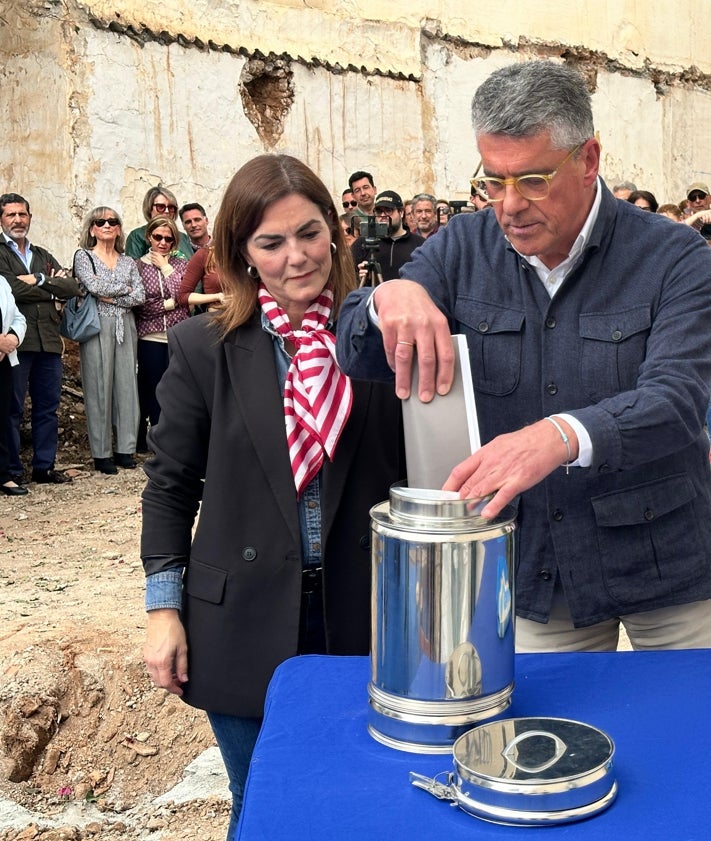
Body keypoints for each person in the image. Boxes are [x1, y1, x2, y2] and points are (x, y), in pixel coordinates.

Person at [336, 60, 711, 654]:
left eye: (533, 180)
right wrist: (387, 298)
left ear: (588, 160)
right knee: (544, 739)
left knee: (690, 731)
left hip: (666, 566)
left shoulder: (675, 256)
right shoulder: (461, 249)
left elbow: (678, 400)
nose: (509, 205)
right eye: (493, 181)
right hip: (540, 567)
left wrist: (560, 436)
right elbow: (357, 349)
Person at [141, 153, 404, 838]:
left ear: (336, 233)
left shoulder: (379, 343)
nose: (296, 257)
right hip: (241, 619)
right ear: (241, 253)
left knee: (358, 796)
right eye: (271, 242)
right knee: (262, 800)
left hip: (362, 611)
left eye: (310, 233)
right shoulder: (203, 348)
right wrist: (163, 611)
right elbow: (170, 485)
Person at [0, 192, 79, 485]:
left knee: (48, 408)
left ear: (30, 218)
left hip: (49, 339)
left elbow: (71, 286)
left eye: (22, 214)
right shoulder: (0, 253)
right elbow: (11, 290)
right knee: (12, 408)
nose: (18, 220)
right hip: (17, 342)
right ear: (1, 219)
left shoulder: (42, 254)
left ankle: (44, 468)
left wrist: (41, 279)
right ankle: (11, 471)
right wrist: (50, 288)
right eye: (11, 215)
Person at [73, 208, 145, 474]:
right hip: (96, 325)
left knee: (127, 386)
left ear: (119, 228)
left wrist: (115, 296)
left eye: (112, 221)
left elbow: (139, 295)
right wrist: (123, 291)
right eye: (100, 221)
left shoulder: (128, 261)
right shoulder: (84, 256)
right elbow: (92, 286)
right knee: (98, 386)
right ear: (91, 228)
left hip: (126, 325)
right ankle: (101, 453)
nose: (106, 225)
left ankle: (125, 449)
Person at [134, 216, 190, 451]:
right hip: (151, 337)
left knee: (177, 391)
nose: (163, 242)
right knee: (154, 390)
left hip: (178, 335)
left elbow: (183, 296)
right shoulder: (137, 265)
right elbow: (142, 307)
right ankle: (157, 441)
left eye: (169, 238)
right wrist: (169, 304)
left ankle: (175, 441)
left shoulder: (179, 265)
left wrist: (166, 268)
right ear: (149, 237)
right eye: (158, 237)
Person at [350, 190, 424, 283]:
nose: (383, 216)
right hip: (373, 295)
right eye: (379, 211)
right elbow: (346, 277)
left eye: (388, 211)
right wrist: (358, 275)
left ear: (401, 212)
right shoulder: (364, 242)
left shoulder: (420, 244)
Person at [0, 274, 26, 496]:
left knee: (2, 417)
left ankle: (3, 475)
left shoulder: (1, 281)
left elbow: (18, 318)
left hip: (4, 359)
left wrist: (12, 339)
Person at [125, 186, 193, 259]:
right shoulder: (137, 236)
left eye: (171, 207)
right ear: (149, 208)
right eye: (160, 207)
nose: (167, 211)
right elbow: (132, 268)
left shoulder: (183, 237)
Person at [176, 245, 225, 312]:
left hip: (241, 314)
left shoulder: (242, 252)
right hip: (218, 315)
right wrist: (218, 296)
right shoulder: (204, 254)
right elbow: (183, 296)